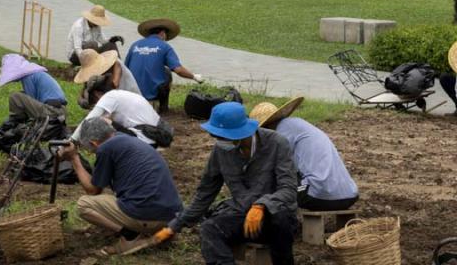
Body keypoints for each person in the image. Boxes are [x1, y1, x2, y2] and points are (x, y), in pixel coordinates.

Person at [153, 102, 299, 265]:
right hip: (242, 215)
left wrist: (262, 206)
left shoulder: (277, 143)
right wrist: (174, 226)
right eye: (216, 136)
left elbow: (289, 189)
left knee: (281, 219)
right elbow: (205, 193)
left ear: (240, 133)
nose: (218, 140)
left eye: (222, 136)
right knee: (209, 229)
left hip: (275, 217)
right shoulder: (220, 150)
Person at [61, 117, 183, 256]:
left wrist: (74, 158)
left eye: (91, 151)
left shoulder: (106, 148)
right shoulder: (127, 139)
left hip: (149, 216)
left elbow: (93, 190)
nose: (93, 154)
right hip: (172, 217)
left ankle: (130, 235)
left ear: (93, 143)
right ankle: (158, 232)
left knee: (84, 204)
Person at [249, 98, 358, 211]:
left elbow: (270, 168)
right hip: (350, 195)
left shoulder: (279, 135)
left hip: (319, 195)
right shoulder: (297, 124)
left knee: (276, 191)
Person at [125, 18, 202, 113]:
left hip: (132, 94)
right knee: (167, 72)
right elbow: (178, 70)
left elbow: (125, 68)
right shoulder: (164, 46)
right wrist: (194, 77)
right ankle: (163, 108)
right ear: (162, 33)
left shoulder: (135, 45)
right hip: (151, 95)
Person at [71, 86, 173, 148]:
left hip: (145, 141)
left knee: (104, 127)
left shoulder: (109, 97)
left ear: (97, 93)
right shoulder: (121, 94)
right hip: (156, 136)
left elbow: (89, 120)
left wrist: (72, 141)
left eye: (94, 103)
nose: (95, 106)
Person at [0, 53, 68, 123]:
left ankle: (15, 123)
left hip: (52, 112)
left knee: (15, 97)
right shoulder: (35, 74)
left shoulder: (28, 77)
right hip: (60, 111)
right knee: (22, 95)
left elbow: (32, 98)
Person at [74, 48, 141, 99]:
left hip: (129, 98)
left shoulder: (116, 64)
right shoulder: (100, 75)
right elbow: (86, 89)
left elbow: (115, 84)